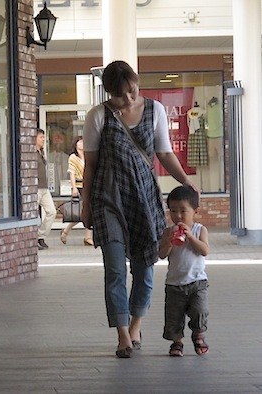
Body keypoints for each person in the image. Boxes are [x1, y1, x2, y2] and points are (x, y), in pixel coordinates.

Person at [81, 60, 198, 358]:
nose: (129, 99)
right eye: (121, 95)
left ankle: (136, 325)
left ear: (137, 82)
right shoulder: (98, 116)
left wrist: (186, 182)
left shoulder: (155, 110)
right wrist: (86, 205)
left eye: (132, 90)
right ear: (108, 93)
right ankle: (122, 334)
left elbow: (164, 153)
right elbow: (91, 167)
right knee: (116, 268)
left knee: (145, 269)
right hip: (108, 198)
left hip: (145, 198)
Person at [159, 185, 210, 357]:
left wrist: (190, 237)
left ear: (195, 212)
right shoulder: (168, 231)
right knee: (174, 316)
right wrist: (169, 242)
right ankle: (177, 342)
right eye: (173, 211)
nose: (178, 216)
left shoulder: (199, 230)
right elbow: (161, 254)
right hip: (174, 283)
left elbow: (204, 250)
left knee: (199, 310)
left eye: (183, 211)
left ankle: (198, 335)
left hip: (197, 281)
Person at [60, 136, 94, 246]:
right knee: (79, 212)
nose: (81, 144)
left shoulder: (88, 156)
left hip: (88, 185)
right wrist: (74, 188)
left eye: (83, 142)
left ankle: (87, 237)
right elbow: (72, 173)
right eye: (79, 142)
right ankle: (66, 231)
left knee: (89, 211)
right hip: (79, 186)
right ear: (75, 144)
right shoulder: (73, 157)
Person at [36, 129, 56, 250]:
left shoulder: (42, 152)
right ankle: (34, 239)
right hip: (36, 188)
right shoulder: (31, 153)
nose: (43, 139)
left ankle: (40, 235)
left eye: (44, 137)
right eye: (41, 137)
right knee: (34, 215)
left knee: (52, 211)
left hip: (44, 188)